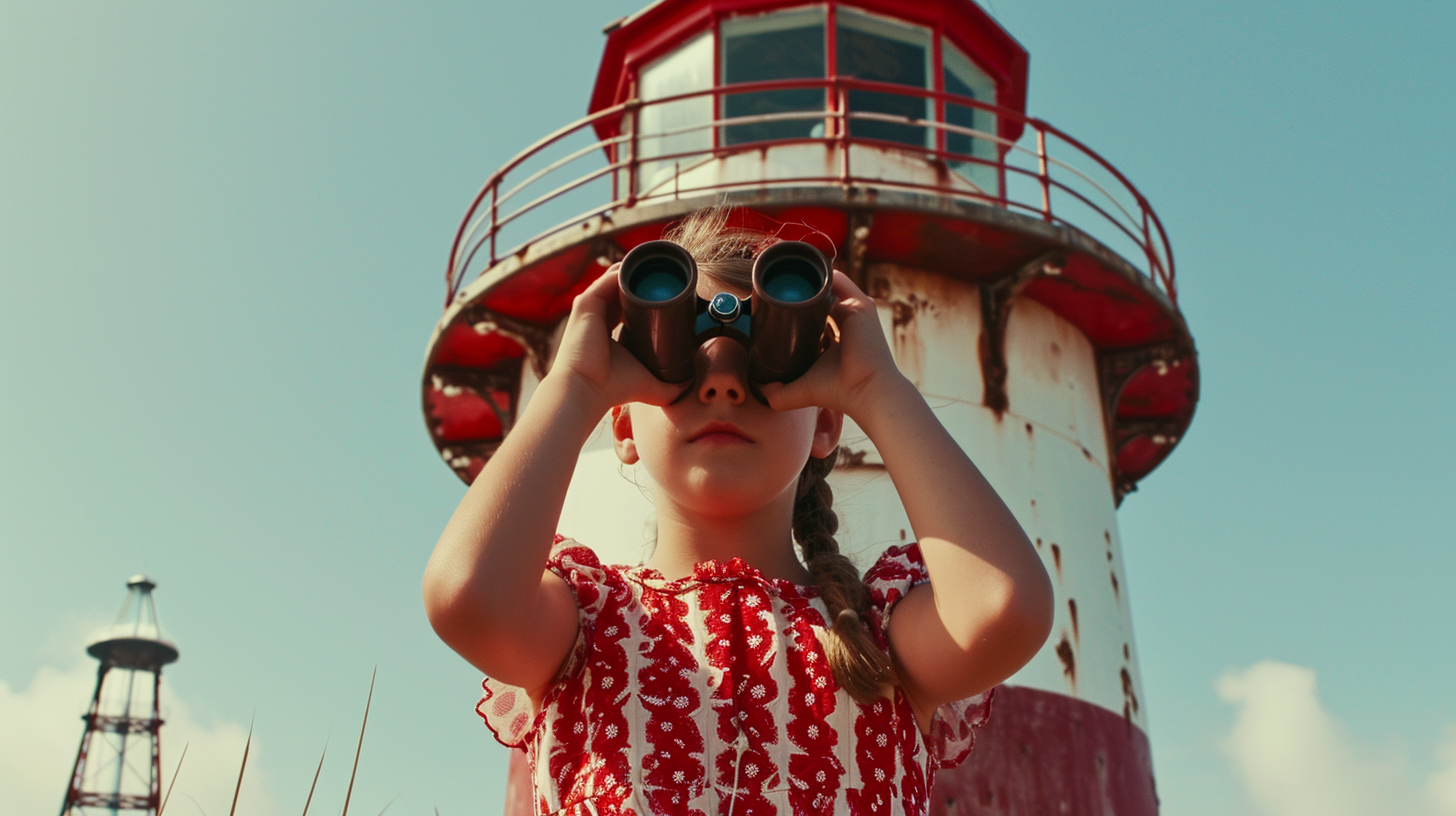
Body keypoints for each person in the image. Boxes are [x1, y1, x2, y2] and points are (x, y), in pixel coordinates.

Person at [423, 209, 1054, 816]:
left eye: (757, 365)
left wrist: (875, 386)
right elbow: (467, 598)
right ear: (622, 421)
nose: (722, 385)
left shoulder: (876, 642)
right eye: (685, 364)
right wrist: (576, 381)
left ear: (826, 422)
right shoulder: (585, 623)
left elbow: (1005, 610)